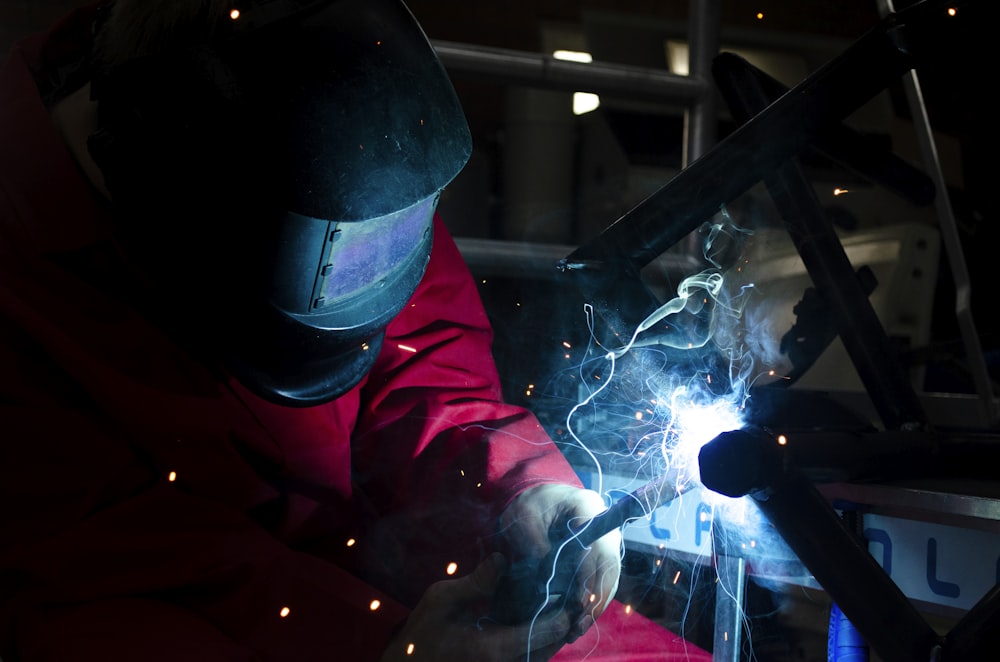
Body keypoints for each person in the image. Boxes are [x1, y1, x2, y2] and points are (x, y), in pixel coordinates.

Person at [0, 1, 713, 660]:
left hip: (401, 597)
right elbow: (106, 580)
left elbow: (429, 371)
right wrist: (384, 647)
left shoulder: (328, 133)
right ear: (176, 206)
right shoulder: (27, 276)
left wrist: (519, 493)